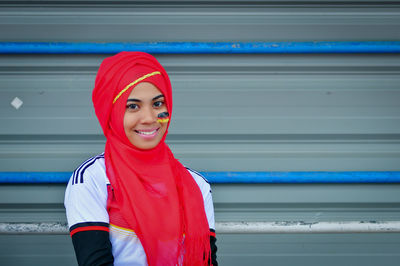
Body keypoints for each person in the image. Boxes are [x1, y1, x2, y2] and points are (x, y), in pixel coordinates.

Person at [64, 52, 218, 266]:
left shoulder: (195, 184)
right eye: (132, 106)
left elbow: (207, 260)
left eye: (158, 104)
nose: (149, 118)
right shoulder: (92, 179)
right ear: (111, 111)